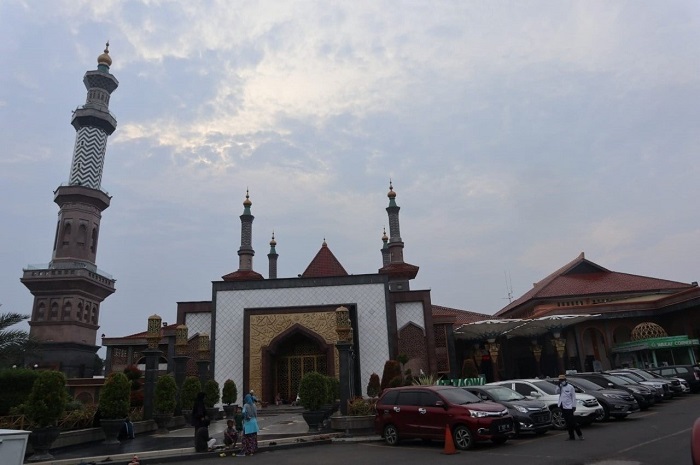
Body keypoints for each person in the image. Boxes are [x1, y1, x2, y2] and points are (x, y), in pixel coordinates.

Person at [555, 374, 584, 441]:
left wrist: (574, 406)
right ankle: (571, 436)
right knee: (567, 422)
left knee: (573, 422)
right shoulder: (560, 386)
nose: (561, 381)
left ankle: (580, 435)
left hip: (569, 406)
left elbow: (573, 397)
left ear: (565, 380)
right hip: (562, 406)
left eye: (562, 380)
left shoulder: (570, 387)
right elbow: (556, 392)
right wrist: (558, 386)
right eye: (560, 380)